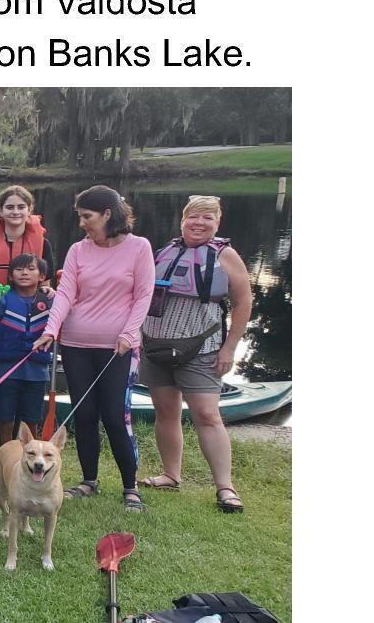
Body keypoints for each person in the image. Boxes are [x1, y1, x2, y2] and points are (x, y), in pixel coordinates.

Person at [34, 185, 155, 512]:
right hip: (75, 344)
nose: (82, 223)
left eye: (87, 217)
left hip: (119, 346)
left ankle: (130, 487)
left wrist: (130, 333)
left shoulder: (139, 248)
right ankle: (89, 481)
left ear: (108, 214)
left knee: (115, 416)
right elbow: (66, 294)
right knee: (83, 414)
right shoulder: (78, 250)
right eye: (80, 217)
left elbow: (144, 295)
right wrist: (51, 330)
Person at [138, 195, 254, 513]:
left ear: (217, 224)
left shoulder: (226, 256)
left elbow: (243, 302)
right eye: (194, 217)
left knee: (206, 415)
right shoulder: (166, 251)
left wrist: (229, 348)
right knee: (165, 411)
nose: (199, 223)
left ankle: (225, 487)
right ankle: (170, 475)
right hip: (156, 343)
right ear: (183, 220)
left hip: (200, 346)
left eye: (208, 218)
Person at [0, 184, 57, 473]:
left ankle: (28, 456)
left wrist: (49, 293)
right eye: (9, 207)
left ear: (29, 211)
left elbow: (49, 280)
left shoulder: (41, 242)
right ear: (0, 211)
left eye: (21, 207)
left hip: (30, 334)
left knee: (29, 407)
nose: (15, 212)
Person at [0, 254, 54, 450]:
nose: (24, 273)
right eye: (19, 269)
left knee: (31, 420)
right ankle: (4, 459)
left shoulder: (49, 300)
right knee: (5, 419)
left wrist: (56, 294)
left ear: (42, 276)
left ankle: (29, 458)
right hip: (7, 371)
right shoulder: (3, 300)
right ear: (10, 276)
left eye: (31, 269)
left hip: (37, 373)